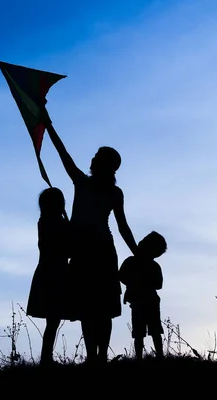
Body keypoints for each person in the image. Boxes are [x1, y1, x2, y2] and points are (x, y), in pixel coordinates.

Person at [43, 120, 139, 365]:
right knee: (91, 306)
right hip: (88, 251)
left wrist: (137, 253)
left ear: (106, 164)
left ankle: (100, 357)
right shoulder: (86, 184)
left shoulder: (102, 189)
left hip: (98, 252)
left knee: (99, 307)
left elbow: (122, 226)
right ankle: (94, 357)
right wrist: (48, 125)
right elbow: (62, 154)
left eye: (98, 156)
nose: (93, 158)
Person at [26, 187, 71, 366]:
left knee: (52, 319)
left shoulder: (45, 220)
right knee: (53, 318)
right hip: (54, 271)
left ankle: (46, 357)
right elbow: (66, 248)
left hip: (49, 270)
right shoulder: (53, 222)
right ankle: (46, 358)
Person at [118, 231, 167, 360]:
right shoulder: (136, 263)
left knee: (152, 331)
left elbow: (158, 284)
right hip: (140, 302)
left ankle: (158, 355)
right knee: (140, 332)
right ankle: (142, 357)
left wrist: (136, 282)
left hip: (147, 302)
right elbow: (121, 276)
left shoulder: (152, 266)